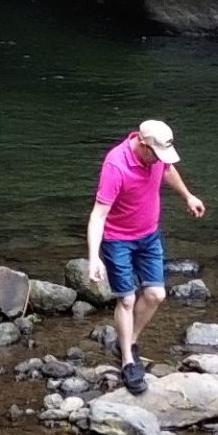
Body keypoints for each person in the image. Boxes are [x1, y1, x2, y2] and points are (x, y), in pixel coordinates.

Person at [85, 116, 205, 395]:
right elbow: (98, 215)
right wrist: (94, 257)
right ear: (142, 144)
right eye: (157, 154)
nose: (160, 159)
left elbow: (167, 170)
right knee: (126, 299)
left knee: (155, 295)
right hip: (118, 240)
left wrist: (188, 196)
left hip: (149, 234)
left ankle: (128, 340)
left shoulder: (157, 156)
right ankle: (128, 359)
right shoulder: (116, 166)